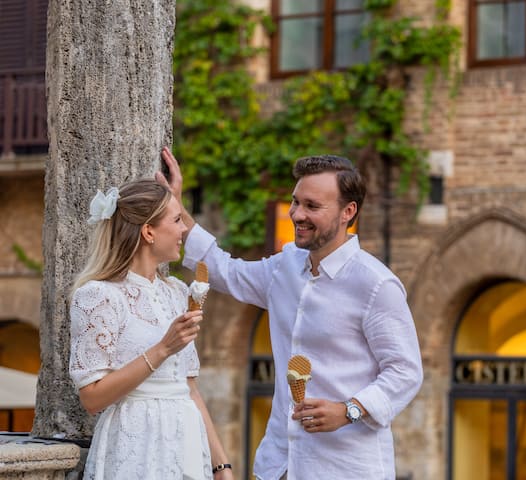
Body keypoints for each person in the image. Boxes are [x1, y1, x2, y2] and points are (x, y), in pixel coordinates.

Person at [157, 147, 424, 480]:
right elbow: (224, 270)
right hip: (278, 466)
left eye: (312, 206)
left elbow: (405, 371)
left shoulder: (376, 284)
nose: (297, 214)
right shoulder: (284, 267)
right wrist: (176, 207)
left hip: (346, 469)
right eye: (296, 202)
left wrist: (349, 410)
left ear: (348, 211)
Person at [68, 178, 234, 480]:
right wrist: (163, 349)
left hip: (186, 442)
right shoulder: (99, 296)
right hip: (135, 444)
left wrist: (221, 466)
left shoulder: (177, 292)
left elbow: (190, 389)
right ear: (148, 232)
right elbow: (92, 398)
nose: (183, 229)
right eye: (177, 220)